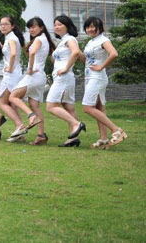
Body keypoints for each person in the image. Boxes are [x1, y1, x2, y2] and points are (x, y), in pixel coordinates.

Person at [80, 17, 127, 149]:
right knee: (99, 108)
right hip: (90, 77)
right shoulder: (90, 42)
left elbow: (114, 53)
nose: (90, 29)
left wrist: (102, 67)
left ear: (100, 27)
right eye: (88, 27)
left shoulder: (104, 40)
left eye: (93, 26)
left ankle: (117, 130)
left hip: (97, 77)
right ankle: (104, 138)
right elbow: (87, 60)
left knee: (87, 107)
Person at [8, 17, 55, 146]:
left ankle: (31, 116)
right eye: (29, 27)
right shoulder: (44, 40)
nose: (31, 29)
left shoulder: (39, 39)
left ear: (42, 27)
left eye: (34, 27)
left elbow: (33, 53)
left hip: (34, 75)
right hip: (41, 76)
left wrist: (29, 69)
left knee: (13, 96)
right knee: (34, 104)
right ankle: (41, 136)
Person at [45, 15, 86, 147]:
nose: (56, 26)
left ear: (67, 26)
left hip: (64, 77)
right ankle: (72, 138)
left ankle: (76, 124)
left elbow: (75, 53)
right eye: (55, 24)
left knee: (51, 106)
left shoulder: (69, 38)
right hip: (65, 78)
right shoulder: (62, 41)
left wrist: (65, 68)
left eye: (60, 24)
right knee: (69, 107)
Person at [0, 16, 26, 143]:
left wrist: (10, 66)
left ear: (12, 26)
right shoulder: (9, 38)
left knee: (2, 102)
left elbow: (13, 53)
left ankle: (20, 125)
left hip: (11, 73)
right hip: (15, 72)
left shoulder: (12, 38)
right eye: (1, 24)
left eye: (6, 24)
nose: (3, 26)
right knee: (12, 103)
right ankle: (20, 132)